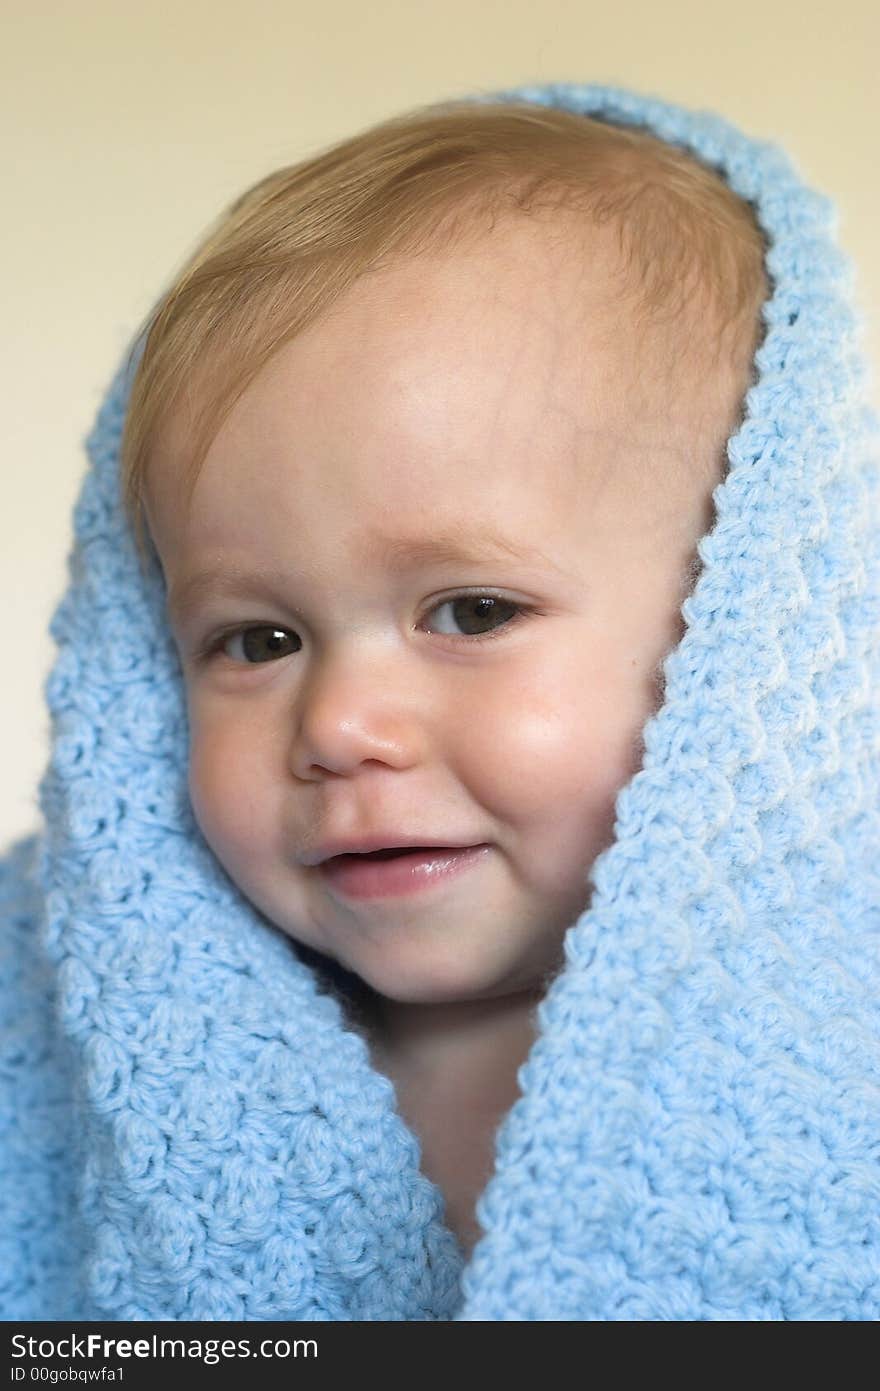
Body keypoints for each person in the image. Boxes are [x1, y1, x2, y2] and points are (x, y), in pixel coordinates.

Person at [1, 80, 878, 1322]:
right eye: (258, 637)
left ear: (741, 633)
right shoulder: (54, 1028)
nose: (341, 725)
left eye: (470, 613)